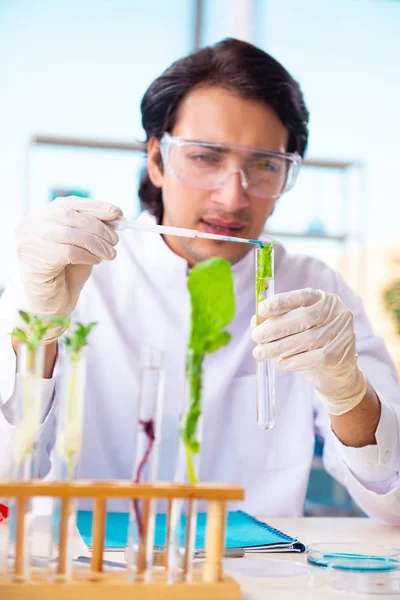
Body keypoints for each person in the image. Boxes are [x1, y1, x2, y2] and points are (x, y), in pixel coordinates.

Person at [0, 38, 399, 522]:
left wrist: (347, 390)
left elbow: (393, 499)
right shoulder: (73, 273)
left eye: (265, 165)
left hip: (256, 583)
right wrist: (36, 330)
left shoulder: (316, 293)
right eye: (206, 157)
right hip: (91, 576)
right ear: (156, 158)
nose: (233, 197)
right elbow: (11, 467)